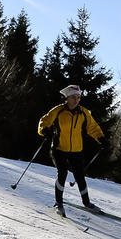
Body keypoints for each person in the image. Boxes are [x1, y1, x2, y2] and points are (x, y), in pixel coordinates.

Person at [37, 85, 105, 216]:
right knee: (62, 173)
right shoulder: (58, 111)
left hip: (76, 150)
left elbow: (93, 127)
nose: (77, 100)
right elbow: (43, 121)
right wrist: (44, 130)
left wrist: (101, 138)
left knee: (80, 176)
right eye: (74, 97)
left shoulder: (83, 112)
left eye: (79, 97)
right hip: (59, 148)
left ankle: (87, 203)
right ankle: (59, 203)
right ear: (67, 98)